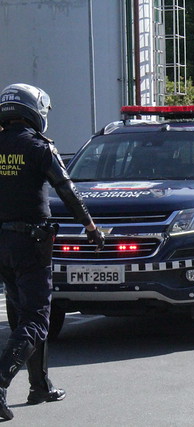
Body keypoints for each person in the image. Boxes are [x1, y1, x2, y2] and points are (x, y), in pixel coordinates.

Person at [0, 83, 105, 420]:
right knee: (36, 318)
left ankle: (40, 385)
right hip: (30, 242)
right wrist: (90, 227)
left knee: (22, 312)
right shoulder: (39, 147)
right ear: (34, 110)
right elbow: (66, 189)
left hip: (2, 243)